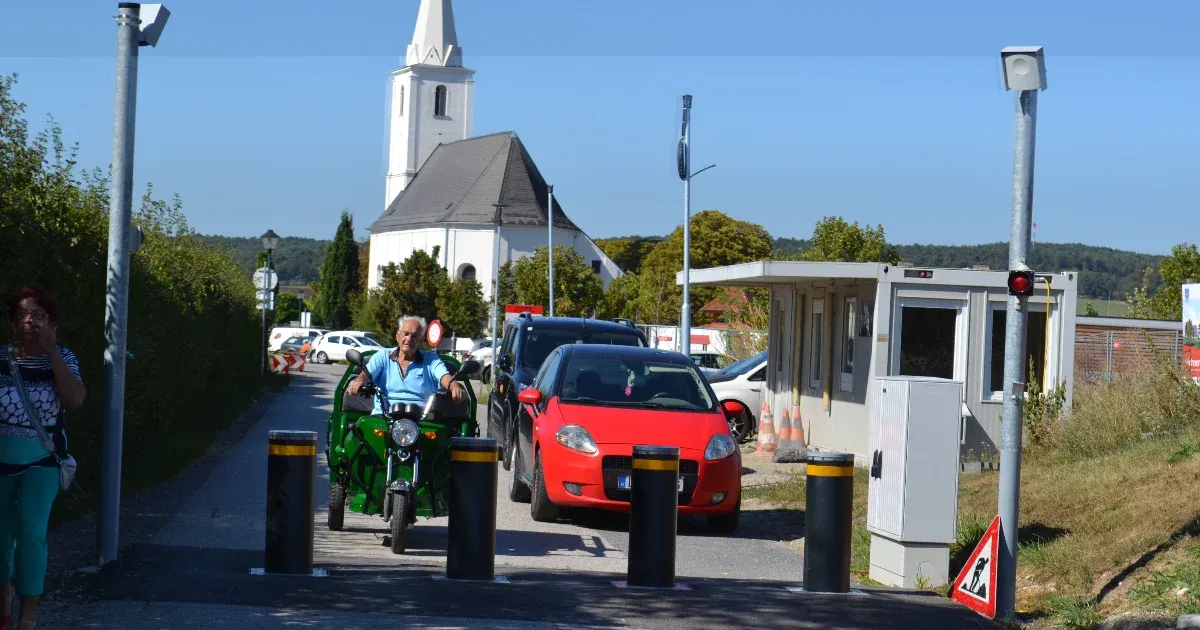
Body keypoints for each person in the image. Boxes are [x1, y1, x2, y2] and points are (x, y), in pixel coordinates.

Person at [1, 287, 86, 630]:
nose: (29, 321)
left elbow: (75, 400)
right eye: (22, 314)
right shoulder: (2, 357)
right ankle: (4, 596)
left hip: (43, 459)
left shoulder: (63, 356)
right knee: (1, 536)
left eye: (37, 315)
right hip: (2, 458)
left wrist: (51, 354)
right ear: (11, 321)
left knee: (31, 532)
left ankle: (30, 612)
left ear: (52, 323)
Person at [347, 315, 465, 412]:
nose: (409, 339)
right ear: (398, 336)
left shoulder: (431, 359)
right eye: (406, 334)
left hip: (422, 419)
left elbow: (443, 375)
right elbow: (367, 373)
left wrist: (454, 387)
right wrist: (360, 380)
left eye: (414, 336)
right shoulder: (383, 356)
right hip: (384, 417)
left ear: (421, 341)